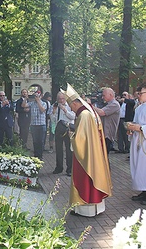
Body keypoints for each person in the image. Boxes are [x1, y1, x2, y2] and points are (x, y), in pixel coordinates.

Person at [61, 83, 112, 217]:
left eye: (71, 105)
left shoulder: (83, 114)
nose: (71, 109)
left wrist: (71, 136)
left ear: (76, 103)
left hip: (86, 156)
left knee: (84, 179)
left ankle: (85, 208)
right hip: (93, 152)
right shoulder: (90, 111)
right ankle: (95, 207)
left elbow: (80, 140)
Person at [50, 92, 75, 176]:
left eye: (62, 99)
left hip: (68, 129)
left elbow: (73, 116)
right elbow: (53, 120)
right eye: (59, 99)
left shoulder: (70, 105)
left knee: (69, 149)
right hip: (58, 128)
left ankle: (69, 169)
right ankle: (59, 167)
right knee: (58, 149)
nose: (61, 100)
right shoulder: (55, 105)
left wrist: (65, 110)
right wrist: (53, 112)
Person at [89, 87, 120, 154]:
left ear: (110, 95)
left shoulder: (115, 104)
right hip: (104, 134)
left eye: (104, 95)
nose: (102, 97)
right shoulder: (108, 104)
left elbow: (101, 112)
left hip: (108, 135)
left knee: (104, 157)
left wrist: (90, 106)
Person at [22, 90, 47, 160]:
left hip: (42, 125)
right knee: (35, 141)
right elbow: (23, 105)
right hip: (34, 125)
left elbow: (42, 110)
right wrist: (26, 98)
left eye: (37, 96)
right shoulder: (32, 103)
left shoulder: (44, 103)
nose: (36, 97)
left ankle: (40, 155)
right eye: (35, 96)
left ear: (41, 96)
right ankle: (36, 155)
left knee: (41, 141)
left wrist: (38, 101)